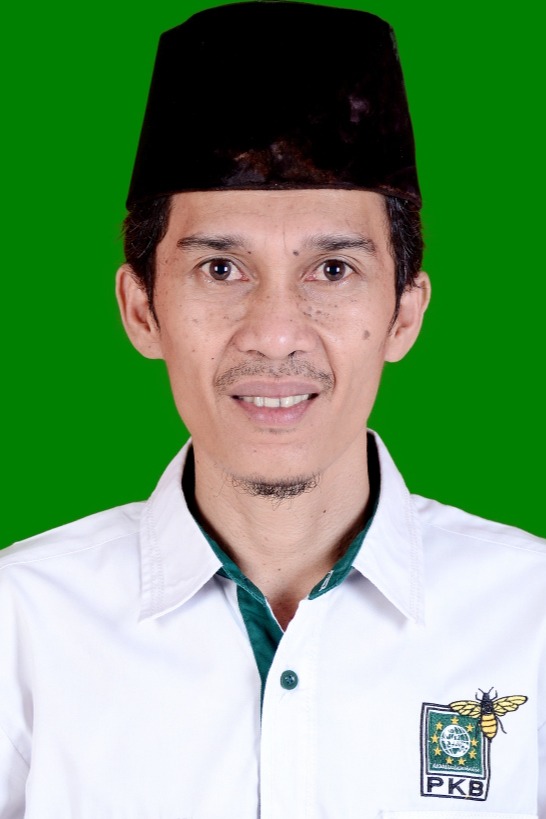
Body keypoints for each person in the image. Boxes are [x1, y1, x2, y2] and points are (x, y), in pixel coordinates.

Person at [1, 2, 544, 817]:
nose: (276, 333)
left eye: (333, 270)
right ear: (142, 309)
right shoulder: (21, 624)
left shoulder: (531, 616)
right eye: (221, 269)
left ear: (405, 313)